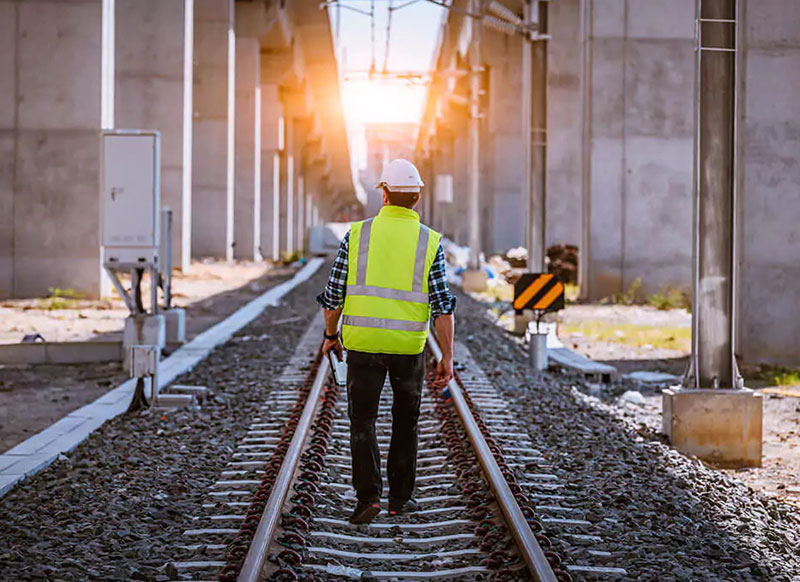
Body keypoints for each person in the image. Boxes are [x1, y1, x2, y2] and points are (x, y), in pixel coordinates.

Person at [316, 158, 456, 525]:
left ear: (384, 193)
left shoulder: (358, 234)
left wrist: (331, 336)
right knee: (405, 422)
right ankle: (399, 500)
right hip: (409, 349)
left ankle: (368, 498)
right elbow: (443, 307)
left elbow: (333, 296)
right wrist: (448, 358)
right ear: (418, 196)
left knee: (362, 421)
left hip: (362, 344)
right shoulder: (430, 241)